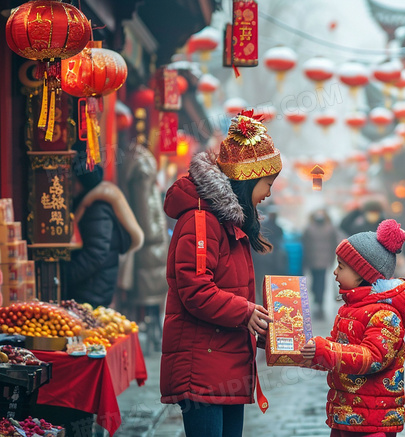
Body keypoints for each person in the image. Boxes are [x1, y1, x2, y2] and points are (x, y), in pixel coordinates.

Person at [160, 110, 278, 436]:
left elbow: (232, 291)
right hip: (202, 369)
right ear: (247, 181)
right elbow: (196, 289)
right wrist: (247, 313)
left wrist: (261, 324)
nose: (268, 193)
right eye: (266, 184)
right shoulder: (201, 221)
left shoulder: (230, 224)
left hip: (223, 365)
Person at [302, 219, 405, 437]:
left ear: (363, 274)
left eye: (341, 266)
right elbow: (336, 351)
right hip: (345, 415)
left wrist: (325, 351)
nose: (335, 273)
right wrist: (309, 352)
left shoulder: (385, 315)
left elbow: (373, 357)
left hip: (372, 422)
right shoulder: (350, 309)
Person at [117, 111, 169, 353]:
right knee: (149, 295)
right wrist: (156, 235)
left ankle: (153, 337)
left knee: (147, 295)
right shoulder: (143, 168)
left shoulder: (139, 166)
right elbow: (147, 211)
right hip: (151, 243)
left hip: (149, 244)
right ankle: (153, 337)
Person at [65, 157, 144, 308]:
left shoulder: (97, 208)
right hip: (94, 286)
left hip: (92, 288)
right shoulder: (90, 204)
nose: (71, 185)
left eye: (73, 180)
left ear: (83, 183)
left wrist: (66, 274)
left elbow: (96, 253)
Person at [301, 209, 340, 319]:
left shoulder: (309, 228)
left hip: (313, 260)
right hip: (324, 261)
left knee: (315, 280)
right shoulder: (330, 228)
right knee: (321, 281)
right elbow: (334, 243)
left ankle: (318, 298)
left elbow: (304, 243)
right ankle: (319, 300)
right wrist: (332, 258)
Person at [252, 204, 287, 299]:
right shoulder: (271, 228)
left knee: (265, 281)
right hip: (266, 259)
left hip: (268, 259)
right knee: (265, 280)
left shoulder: (271, 228)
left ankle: (265, 299)